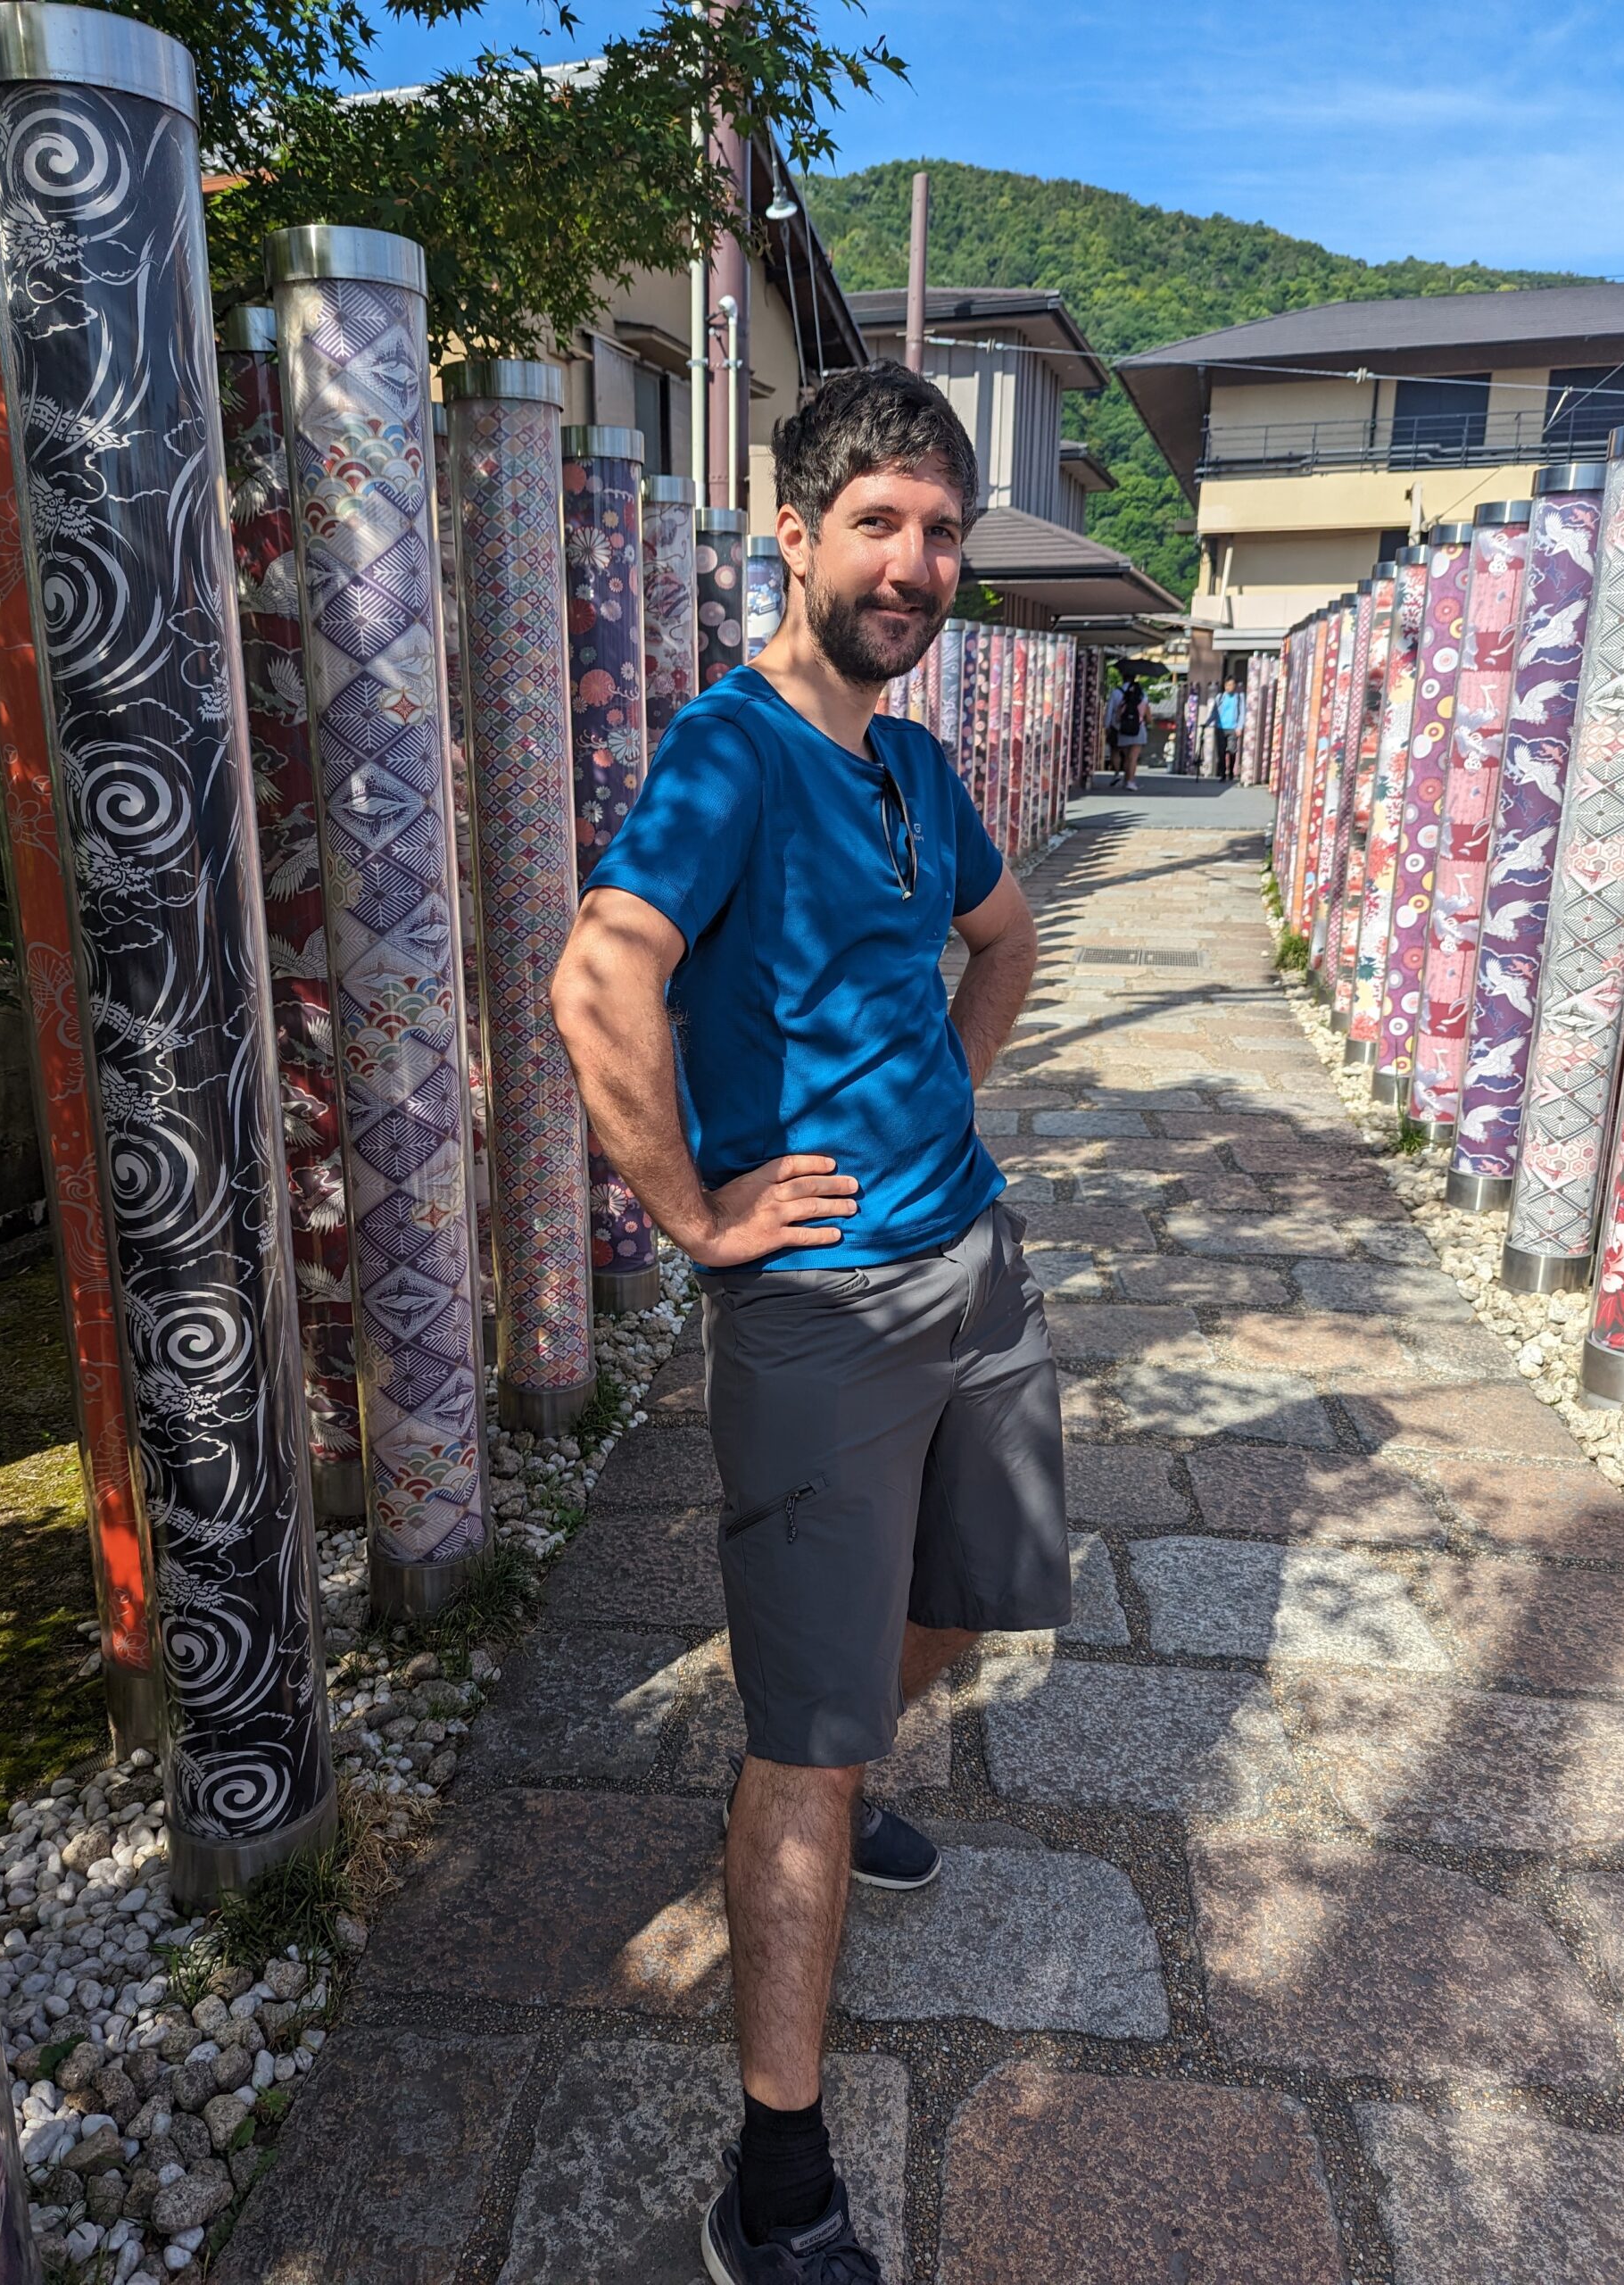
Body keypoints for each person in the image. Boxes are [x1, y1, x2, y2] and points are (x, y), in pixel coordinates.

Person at [551, 360, 1070, 2285]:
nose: (914, 562)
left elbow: (1005, 937)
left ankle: (829, 1772)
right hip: (822, 1314)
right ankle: (773, 2175)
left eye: (940, 531)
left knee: (976, 1596)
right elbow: (597, 976)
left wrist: (939, 1103)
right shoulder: (733, 753)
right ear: (795, 533)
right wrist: (695, 1213)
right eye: (878, 523)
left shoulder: (913, 769)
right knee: (807, 1731)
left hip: (970, 1261)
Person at [1106, 671, 1149, 789]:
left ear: (1123, 678)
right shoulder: (1142, 694)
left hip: (1122, 727)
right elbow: (1148, 714)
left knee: (1126, 756)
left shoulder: (1116, 692)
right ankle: (1130, 781)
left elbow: (1110, 710)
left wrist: (1107, 725)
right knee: (1133, 758)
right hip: (1138, 727)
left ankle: (1123, 777)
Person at [1213, 675, 1245, 781]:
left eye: (1231, 685)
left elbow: (1242, 713)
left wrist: (1240, 727)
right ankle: (1222, 774)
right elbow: (1214, 711)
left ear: (1234, 685)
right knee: (1221, 752)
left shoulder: (1239, 697)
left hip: (1233, 728)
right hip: (1220, 728)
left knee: (1232, 750)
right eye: (1227, 685)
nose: (1228, 687)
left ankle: (1231, 771)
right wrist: (1209, 722)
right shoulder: (1220, 697)